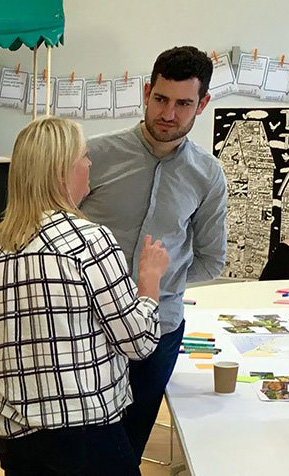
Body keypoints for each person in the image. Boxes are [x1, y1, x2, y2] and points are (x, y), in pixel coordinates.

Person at [80, 45, 228, 461]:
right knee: (86, 443)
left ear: (202, 105)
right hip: (88, 327)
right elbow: (54, 232)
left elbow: (212, 259)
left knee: (131, 441)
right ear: (146, 92)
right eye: (161, 99)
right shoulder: (93, 155)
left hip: (159, 331)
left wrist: (156, 282)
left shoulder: (208, 175)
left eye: (183, 104)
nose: (168, 113)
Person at [0, 117, 169, 476]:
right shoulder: (88, 241)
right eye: (84, 156)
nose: (90, 164)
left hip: (16, 439)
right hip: (86, 437)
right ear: (62, 171)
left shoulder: (3, 246)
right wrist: (150, 281)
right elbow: (138, 341)